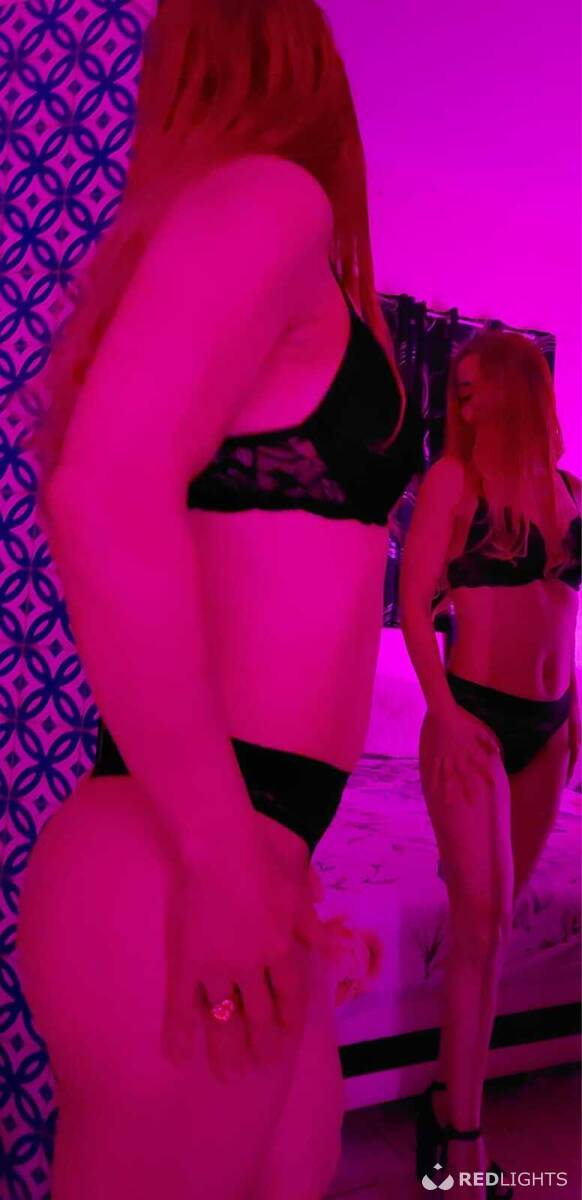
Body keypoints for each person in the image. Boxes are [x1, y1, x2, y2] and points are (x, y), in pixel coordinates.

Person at [15, 3, 420, 1198]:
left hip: (232, 846)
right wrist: (222, 858)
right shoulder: (273, 198)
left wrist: (262, 867)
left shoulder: (248, 229)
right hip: (185, 854)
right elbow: (101, 494)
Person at [399, 329, 581, 1200]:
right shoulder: (453, 481)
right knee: (479, 920)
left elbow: (563, 614)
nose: (462, 404)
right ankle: (464, 1148)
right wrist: (441, 711)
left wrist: (573, 711)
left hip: (551, 729)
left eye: (475, 389)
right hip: (470, 717)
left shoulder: (569, 492)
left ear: (519, 388)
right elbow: (412, 606)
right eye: (457, 390)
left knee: (496, 926)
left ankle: (443, 1102)